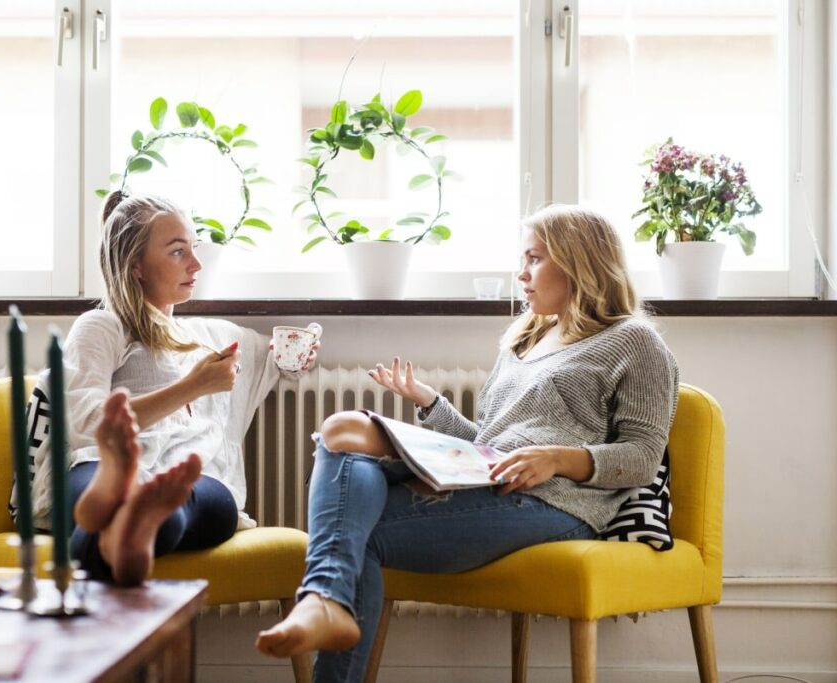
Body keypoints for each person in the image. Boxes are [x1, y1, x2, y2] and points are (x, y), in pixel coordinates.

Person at [255, 204, 679, 682]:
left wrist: (557, 459)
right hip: (490, 479)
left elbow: (643, 456)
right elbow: (488, 443)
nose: (522, 273)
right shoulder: (525, 340)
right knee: (343, 433)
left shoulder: (635, 341)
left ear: (580, 262)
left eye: (535, 258)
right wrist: (429, 402)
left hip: (556, 505)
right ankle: (324, 602)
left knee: (354, 533)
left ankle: (324, 600)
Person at [25, 190, 317, 586]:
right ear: (137, 266)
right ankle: (129, 501)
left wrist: (296, 353)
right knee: (150, 499)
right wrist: (192, 387)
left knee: (218, 507)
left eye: (193, 249)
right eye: (178, 252)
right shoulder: (102, 326)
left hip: (179, 467)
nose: (196, 264)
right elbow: (87, 424)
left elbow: (269, 356)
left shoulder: (196, 334)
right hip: (103, 461)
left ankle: (133, 523)